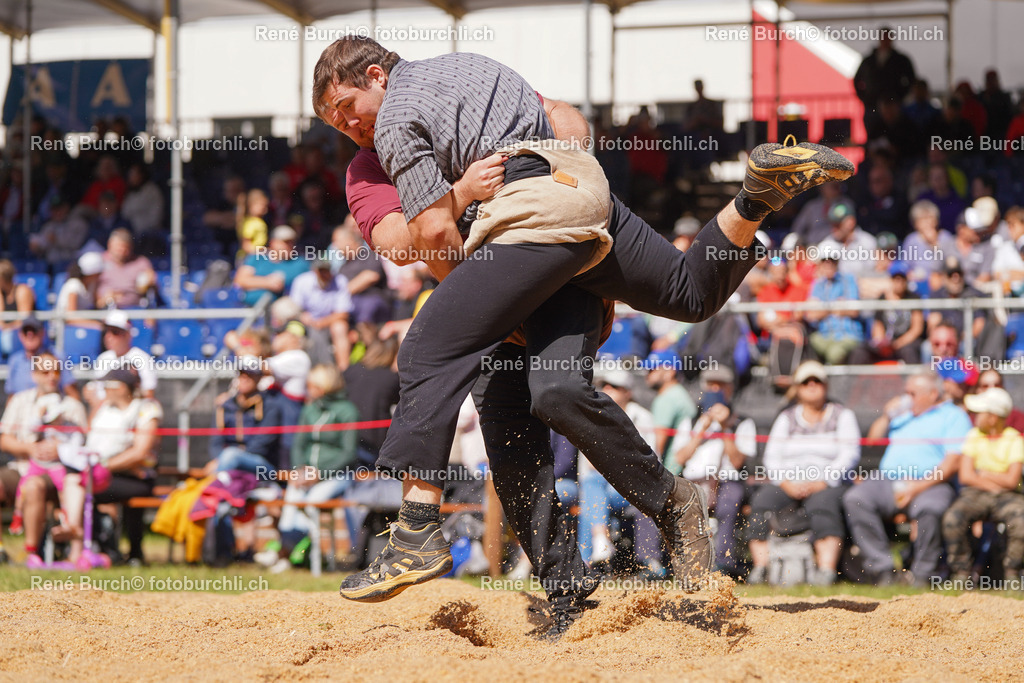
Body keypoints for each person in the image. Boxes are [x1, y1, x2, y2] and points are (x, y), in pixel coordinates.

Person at [314, 37, 853, 604]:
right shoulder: (434, 100)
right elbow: (400, 240)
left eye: (345, 107)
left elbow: (431, 234)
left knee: (435, 354)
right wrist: (486, 192)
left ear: (376, 75)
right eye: (334, 123)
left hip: (526, 232)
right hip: (569, 209)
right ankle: (752, 200)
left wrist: (486, 295)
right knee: (634, 333)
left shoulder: (399, 116)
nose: (346, 125)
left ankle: (419, 531)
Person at [843, 370, 971, 585]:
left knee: (930, 509)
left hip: (932, 483)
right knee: (856, 499)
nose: (906, 398)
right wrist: (886, 416)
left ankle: (922, 574)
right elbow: (872, 440)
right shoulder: (902, 415)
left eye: (912, 393)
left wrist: (916, 488)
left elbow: (952, 464)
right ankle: (883, 570)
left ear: (932, 394)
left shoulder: (954, 416)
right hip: (888, 480)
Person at [747, 361, 860, 586]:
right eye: (806, 382)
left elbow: (850, 454)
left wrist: (824, 481)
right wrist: (785, 483)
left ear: (826, 385)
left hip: (828, 484)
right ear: (797, 388)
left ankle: (826, 571)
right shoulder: (786, 417)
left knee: (823, 505)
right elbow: (772, 457)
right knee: (761, 502)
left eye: (817, 381)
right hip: (788, 483)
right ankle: (760, 568)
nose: (812, 385)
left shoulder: (842, 415)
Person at [256, 364, 359, 573]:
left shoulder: (348, 411)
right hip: (306, 474)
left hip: (338, 475)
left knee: (311, 502)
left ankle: (287, 552)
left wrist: (319, 473)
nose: (308, 389)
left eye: (313, 386)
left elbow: (348, 454)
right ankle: (288, 552)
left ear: (325, 386)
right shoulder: (309, 409)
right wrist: (298, 470)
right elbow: (298, 445)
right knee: (292, 498)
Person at [0, 352, 89, 566]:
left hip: (58, 472)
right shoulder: (20, 401)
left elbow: (83, 447)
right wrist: (29, 448)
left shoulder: (73, 406)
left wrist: (60, 450)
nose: (52, 376)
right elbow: (4, 439)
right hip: (22, 466)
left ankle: (31, 553)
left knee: (33, 486)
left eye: (56, 371)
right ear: (34, 374)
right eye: (45, 372)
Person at [670, 367, 757, 578]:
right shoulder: (691, 421)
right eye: (711, 385)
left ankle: (724, 563)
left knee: (729, 502)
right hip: (693, 480)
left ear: (731, 389)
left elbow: (737, 462)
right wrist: (702, 429)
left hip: (727, 481)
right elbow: (680, 458)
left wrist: (725, 427)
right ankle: (680, 564)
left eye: (721, 386)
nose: (716, 390)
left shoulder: (742, 422)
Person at [578, 369, 665, 577]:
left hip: (633, 488)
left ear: (628, 392)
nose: (607, 389)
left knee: (591, 495)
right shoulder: (593, 415)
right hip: (601, 487)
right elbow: (590, 465)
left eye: (614, 386)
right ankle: (599, 544)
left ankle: (587, 562)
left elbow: (649, 463)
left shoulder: (643, 417)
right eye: (604, 385)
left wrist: (610, 461)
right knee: (591, 488)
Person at [88, 368, 162, 565]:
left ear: (123, 388)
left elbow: (140, 453)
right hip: (103, 473)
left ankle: (117, 550)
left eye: (109, 385)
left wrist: (104, 465)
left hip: (136, 477)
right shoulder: (105, 408)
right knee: (78, 487)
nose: (105, 389)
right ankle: (101, 547)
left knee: (87, 489)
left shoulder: (147, 408)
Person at [848, 261, 924, 364]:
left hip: (905, 342)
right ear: (891, 279)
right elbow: (877, 325)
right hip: (887, 342)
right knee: (860, 351)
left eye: (902, 278)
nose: (899, 282)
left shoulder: (913, 298)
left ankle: (913, 375)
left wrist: (898, 343)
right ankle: (855, 375)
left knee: (909, 351)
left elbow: (917, 328)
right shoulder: (882, 298)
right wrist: (882, 342)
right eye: (896, 278)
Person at [288, 258, 353, 369]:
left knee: (340, 327)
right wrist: (303, 316)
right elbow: (293, 307)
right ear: (315, 271)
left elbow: (343, 313)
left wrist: (321, 323)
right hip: (305, 322)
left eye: (326, 270)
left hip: (329, 322)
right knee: (294, 329)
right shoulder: (302, 281)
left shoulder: (340, 281)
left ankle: (344, 369)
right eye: (321, 270)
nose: (324, 274)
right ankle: (295, 368)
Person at [805, 249, 864, 364]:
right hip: (824, 335)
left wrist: (823, 308)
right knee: (807, 343)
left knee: (835, 354)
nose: (829, 265)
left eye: (832, 261)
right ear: (821, 264)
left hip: (847, 335)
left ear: (837, 263)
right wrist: (835, 307)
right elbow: (811, 315)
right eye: (825, 261)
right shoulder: (818, 284)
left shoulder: (848, 280)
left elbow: (854, 311)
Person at [853, 28, 916, 127]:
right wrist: (865, 98)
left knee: (896, 130)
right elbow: (857, 80)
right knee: (873, 131)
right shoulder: (869, 60)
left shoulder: (901, 60)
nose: (885, 40)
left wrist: (899, 97)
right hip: (872, 105)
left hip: (893, 105)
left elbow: (911, 79)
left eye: (888, 37)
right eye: (884, 37)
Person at [5, 315, 77, 401]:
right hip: (24, 407)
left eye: (34, 331)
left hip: (53, 406)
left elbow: (71, 392)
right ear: (20, 335)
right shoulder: (15, 361)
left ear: (43, 333)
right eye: (26, 331)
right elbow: (11, 397)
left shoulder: (57, 356)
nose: (30, 335)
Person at [89, 310, 157, 401]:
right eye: (106, 331)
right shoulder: (103, 358)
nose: (108, 337)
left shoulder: (143, 358)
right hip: (107, 407)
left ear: (128, 334)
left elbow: (148, 396)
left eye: (115, 332)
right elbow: (98, 395)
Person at [233, 225, 309, 307]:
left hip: (280, 308)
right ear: (273, 242)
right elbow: (239, 280)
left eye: (292, 242)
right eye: (285, 242)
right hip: (246, 306)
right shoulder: (258, 257)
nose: (290, 246)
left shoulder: (300, 264)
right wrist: (267, 282)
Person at [95, 229, 157, 309]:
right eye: (118, 248)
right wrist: (106, 299)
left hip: (136, 309)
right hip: (107, 308)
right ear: (109, 245)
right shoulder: (99, 261)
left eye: (125, 248)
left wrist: (148, 281)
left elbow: (152, 286)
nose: (122, 251)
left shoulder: (141, 262)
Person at [902, 200, 955, 283]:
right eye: (923, 218)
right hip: (917, 281)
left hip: (941, 280)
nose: (927, 222)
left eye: (930, 217)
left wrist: (934, 243)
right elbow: (905, 265)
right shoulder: (911, 240)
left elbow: (950, 263)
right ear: (915, 223)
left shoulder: (945, 237)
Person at [56, 252, 105, 330]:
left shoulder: (92, 285)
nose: (100, 275)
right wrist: (97, 325)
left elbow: (97, 305)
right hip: (66, 330)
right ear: (92, 273)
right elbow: (70, 317)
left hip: (84, 327)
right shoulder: (73, 285)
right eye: (99, 273)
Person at [0, 261, 37, 357]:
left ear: (3, 279)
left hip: (21, 331)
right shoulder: (1, 294)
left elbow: (24, 320)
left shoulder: (23, 291)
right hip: (6, 331)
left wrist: (7, 328)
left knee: (7, 338)